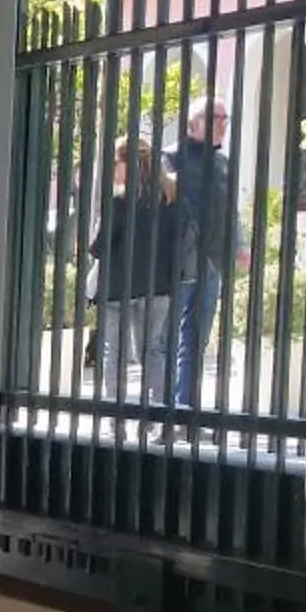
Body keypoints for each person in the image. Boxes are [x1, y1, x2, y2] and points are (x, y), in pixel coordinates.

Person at [85, 134, 180, 412]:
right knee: (152, 352)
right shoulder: (168, 198)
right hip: (158, 286)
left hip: (118, 288)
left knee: (114, 353)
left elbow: (97, 248)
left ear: (130, 164)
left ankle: (115, 418)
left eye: (116, 162)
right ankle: (159, 414)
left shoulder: (119, 202)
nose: (113, 168)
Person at [171, 96, 234, 413]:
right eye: (215, 118)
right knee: (170, 336)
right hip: (180, 261)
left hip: (212, 261)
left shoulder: (223, 164)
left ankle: (187, 406)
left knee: (198, 338)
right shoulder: (172, 158)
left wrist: (239, 245)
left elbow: (231, 212)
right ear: (194, 123)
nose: (222, 124)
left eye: (225, 118)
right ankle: (166, 407)